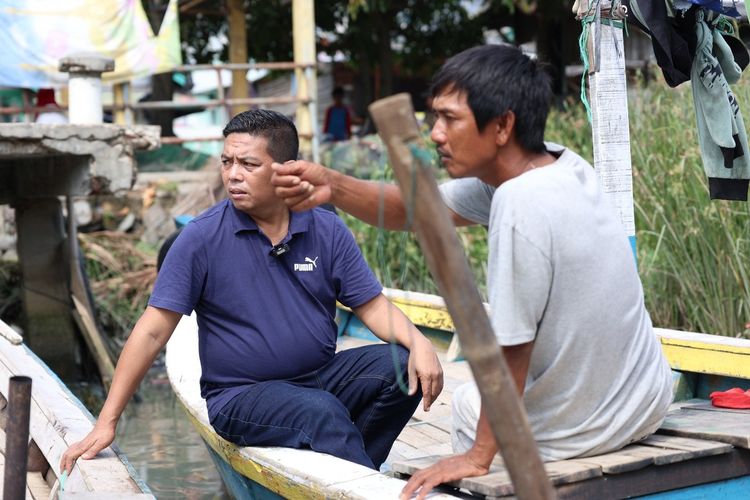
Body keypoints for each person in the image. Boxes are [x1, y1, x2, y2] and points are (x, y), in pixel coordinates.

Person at [270, 45, 674, 499]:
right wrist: (335, 185)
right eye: (433, 118)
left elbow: (509, 354)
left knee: (466, 403)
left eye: (449, 119)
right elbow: (418, 209)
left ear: (502, 125)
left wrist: (478, 456)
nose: (436, 134)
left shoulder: (521, 206)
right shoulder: (560, 164)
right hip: (648, 399)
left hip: (588, 429)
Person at [60, 109, 443, 474]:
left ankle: (357, 471)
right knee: (320, 412)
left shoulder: (325, 228)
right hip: (241, 395)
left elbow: (371, 306)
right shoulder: (200, 238)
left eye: (248, 164)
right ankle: (356, 475)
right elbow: (152, 331)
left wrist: (420, 344)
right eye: (227, 162)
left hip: (319, 376)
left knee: (400, 366)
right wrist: (106, 423)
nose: (233, 175)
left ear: (285, 169)